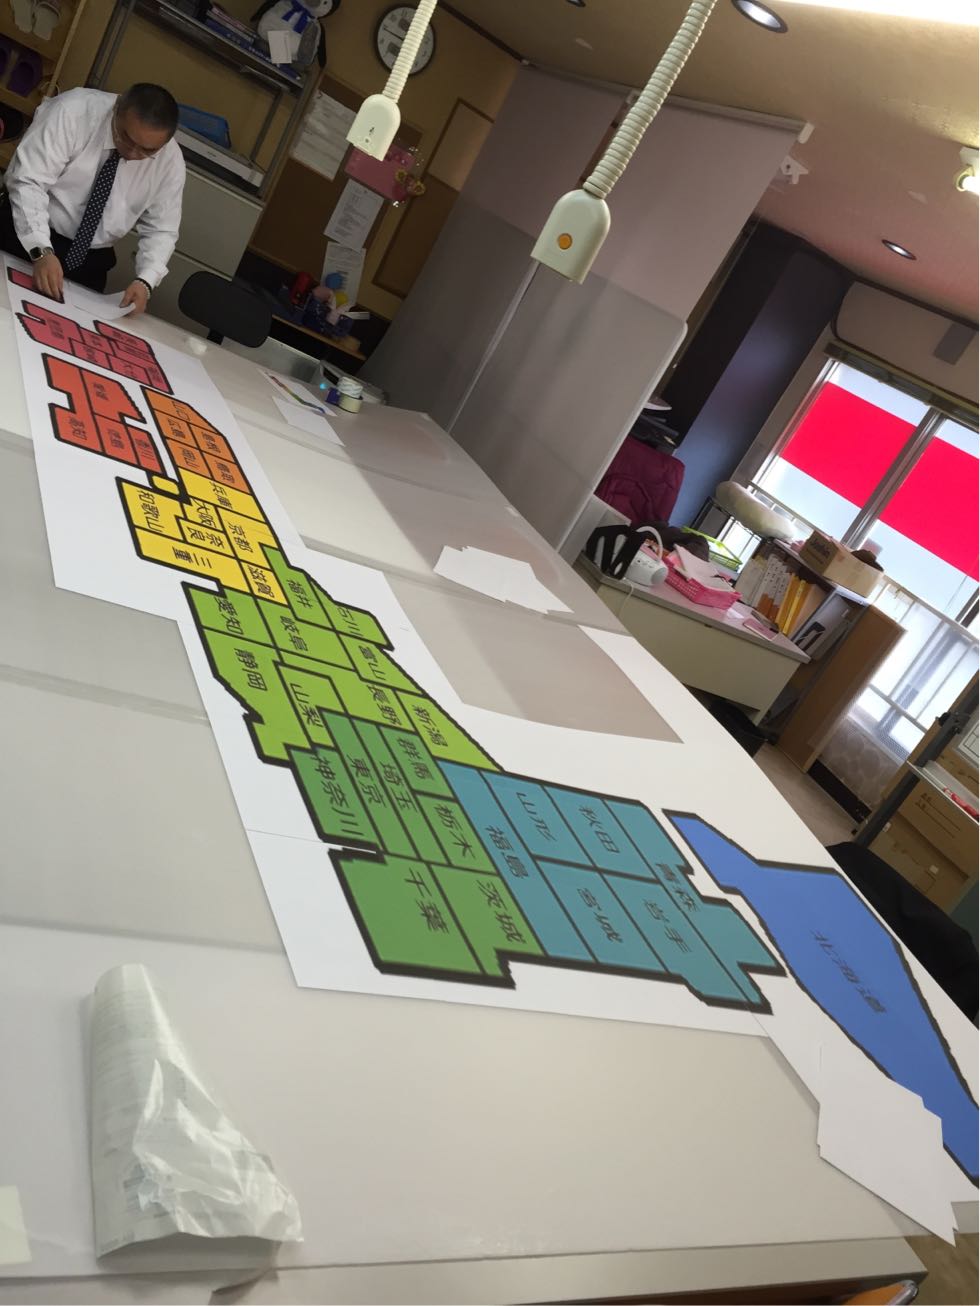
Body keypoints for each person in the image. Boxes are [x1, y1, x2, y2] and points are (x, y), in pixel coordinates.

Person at [0, 83, 185, 315]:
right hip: (25, 235)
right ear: (117, 108)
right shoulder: (72, 111)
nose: (132, 153)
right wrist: (40, 250)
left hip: (89, 261)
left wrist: (146, 280)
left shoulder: (170, 160)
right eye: (126, 138)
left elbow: (162, 229)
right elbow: (28, 181)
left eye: (147, 151)